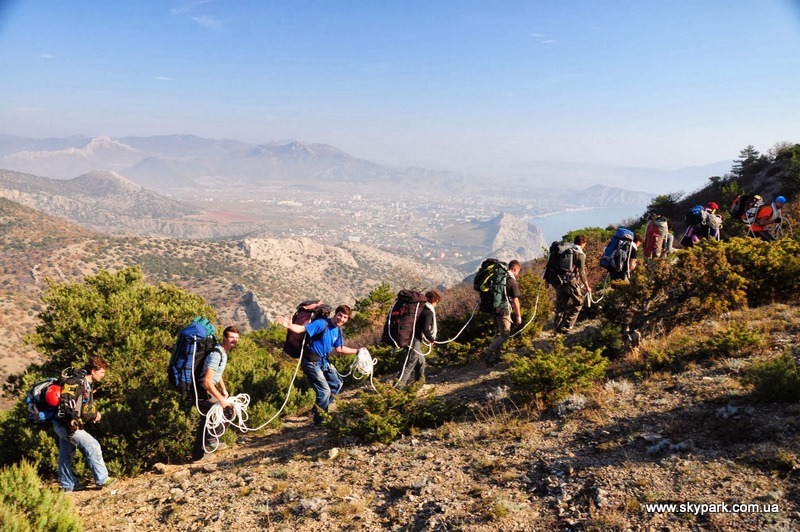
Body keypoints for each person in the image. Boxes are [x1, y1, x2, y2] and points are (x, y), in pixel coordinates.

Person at [277, 305, 362, 425]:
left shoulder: (338, 330)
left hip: (324, 361)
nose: (341, 319)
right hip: (311, 362)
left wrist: (358, 351)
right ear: (335, 314)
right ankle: (319, 421)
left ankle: (317, 410)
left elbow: (339, 349)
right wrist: (290, 326)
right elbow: (302, 329)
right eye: (340, 315)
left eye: (345, 317)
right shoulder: (322, 324)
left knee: (337, 384)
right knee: (324, 391)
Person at [52, 355, 115, 492]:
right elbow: (69, 405)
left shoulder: (84, 383)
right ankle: (102, 479)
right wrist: (73, 421)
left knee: (66, 454)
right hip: (67, 424)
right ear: (93, 371)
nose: (103, 375)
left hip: (60, 423)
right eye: (102, 372)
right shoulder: (78, 382)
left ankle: (68, 485)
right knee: (93, 445)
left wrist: (93, 413)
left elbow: (82, 404)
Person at [192, 325, 240, 461]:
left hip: (203, 390)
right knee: (228, 411)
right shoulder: (216, 354)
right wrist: (221, 399)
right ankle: (211, 442)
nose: (234, 340)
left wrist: (223, 389)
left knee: (205, 421)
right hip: (202, 391)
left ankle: (198, 455)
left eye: (236, 338)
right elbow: (207, 382)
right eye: (231, 337)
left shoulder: (222, 352)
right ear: (224, 337)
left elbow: (216, 373)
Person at [479, 260, 522, 367]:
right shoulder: (511, 281)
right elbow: (515, 300)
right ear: (515, 269)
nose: (518, 274)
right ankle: (487, 353)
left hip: (494, 308)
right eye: (518, 271)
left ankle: (497, 357)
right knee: (505, 334)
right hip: (503, 310)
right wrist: (518, 316)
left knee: (498, 333)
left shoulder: (499, 277)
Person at [397, 290, 441, 387]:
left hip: (409, 337)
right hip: (413, 339)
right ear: (434, 301)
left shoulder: (420, 308)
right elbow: (425, 329)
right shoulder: (428, 312)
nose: (436, 305)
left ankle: (419, 383)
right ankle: (397, 388)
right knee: (410, 363)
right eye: (437, 302)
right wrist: (431, 339)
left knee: (421, 361)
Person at [554, 235, 592, 334]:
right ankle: (567, 325)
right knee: (579, 301)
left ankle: (557, 328)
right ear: (583, 243)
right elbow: (582, 272)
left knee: (560, 305)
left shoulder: (565, 250)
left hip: (559, 280)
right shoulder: (580, 254)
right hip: (571, 281)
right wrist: (587, 286)